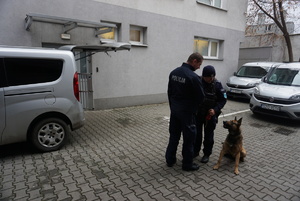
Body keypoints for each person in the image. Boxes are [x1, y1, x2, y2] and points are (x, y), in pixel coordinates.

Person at [165, 52, 205, 171]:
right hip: (187, 113)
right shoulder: (193, 77)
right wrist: (195, 108)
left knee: (174, 136)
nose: (199, 67)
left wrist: (173, 107)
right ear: (194, 61)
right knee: (189, 139)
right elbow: (201, 97)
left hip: (175, 111)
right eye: (199, 64)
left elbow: (169, 92)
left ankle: (170, 160)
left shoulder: (174, 73)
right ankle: (187, 164)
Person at [194, 65, 227, 164]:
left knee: (209, 136)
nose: (211, 79)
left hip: (210, 115)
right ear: (204, 76)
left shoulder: (217, 84)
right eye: (209, 77)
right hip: (198, 114)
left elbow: (223, 99)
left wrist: (215, 110)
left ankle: (206, 154)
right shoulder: (198, 82)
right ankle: (195, 152)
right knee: (196, 135)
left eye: (213, 76)